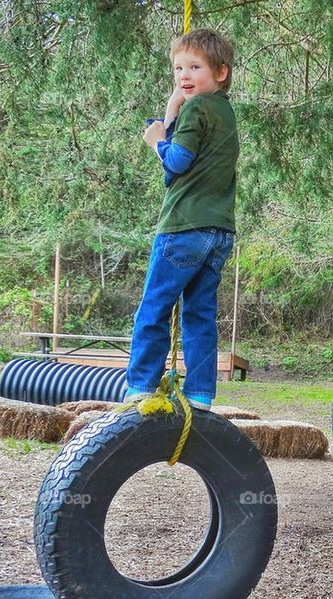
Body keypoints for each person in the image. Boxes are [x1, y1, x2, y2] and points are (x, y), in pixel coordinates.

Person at [124, 29, 240, 411]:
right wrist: (172, 113)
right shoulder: (224, 112)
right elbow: (183, 172)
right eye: (178, 68)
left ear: (220, 72)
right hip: (219, 231)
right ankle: (201, 393)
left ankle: (140, 385)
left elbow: (175, 164)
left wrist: (157, 139)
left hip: (183, 227)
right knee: (199, 315)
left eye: (194, 67)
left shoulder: (198, 108)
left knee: (154, 307)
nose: (184, 75)